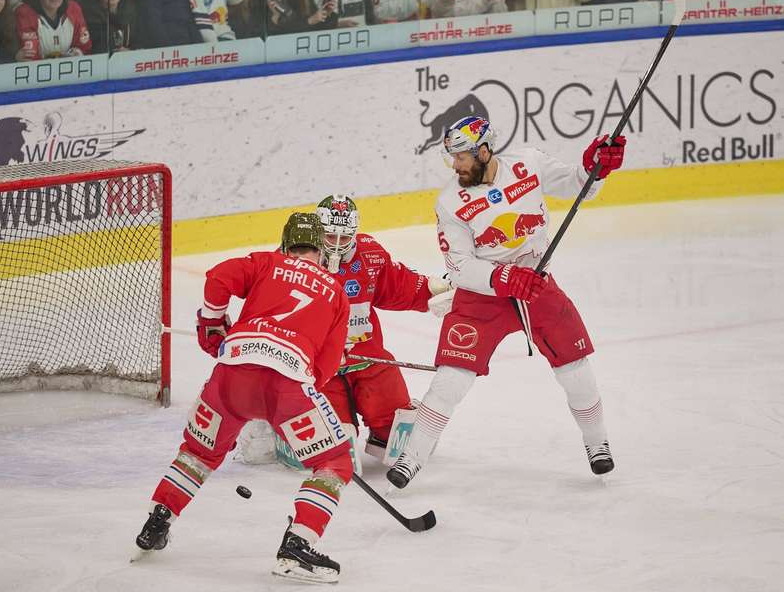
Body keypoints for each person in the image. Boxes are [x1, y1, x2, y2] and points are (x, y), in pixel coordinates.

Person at [386, 115, 626, 489]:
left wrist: (595, 169)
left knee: (575, 370)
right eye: (452, 157)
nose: (457, 165)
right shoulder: (450, 202)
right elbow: (460, 266)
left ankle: (598, 444)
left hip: (536, 284)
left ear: (485, 149)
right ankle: (411, 457)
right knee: (451, 380)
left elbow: (578, 187)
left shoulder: (528, 163)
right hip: (483, 296)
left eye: (463, 156)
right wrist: (503, 277)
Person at [135, 213, 353, 584]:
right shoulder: (335, 291)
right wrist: (292, 403)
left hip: (231, 375)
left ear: (285, 244)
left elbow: (218, 278)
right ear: (321, 250)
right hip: (287, 384)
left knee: (199, 453)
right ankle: (297, 545)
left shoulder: (267, 262)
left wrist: (212, 321)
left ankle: (158, 520)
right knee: (334, 461)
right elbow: (325, 368)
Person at [313, 194, 451, 461]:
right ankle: (273, 424)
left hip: (369, 359)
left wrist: (434, 290)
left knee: (399, 435)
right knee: (334, 442)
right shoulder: (298, 258)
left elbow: (396, 284)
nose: (339, 245)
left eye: (346, 237)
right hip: (319, 371)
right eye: (331, 236)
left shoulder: (369, 255)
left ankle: (381, 432)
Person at [14, 0, 91, 61]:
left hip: (69, 72)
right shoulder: (24, 13)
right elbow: (30, 57)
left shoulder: (73, 9)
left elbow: (85, 47)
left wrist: (78, 53)